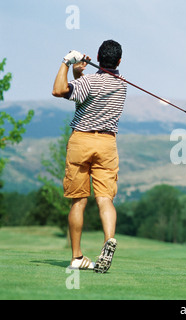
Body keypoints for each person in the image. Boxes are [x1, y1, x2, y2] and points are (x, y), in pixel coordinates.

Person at [52, 40, 127, 273]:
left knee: (79, 200)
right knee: (105, 199)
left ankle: (76, 257)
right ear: (119, 61)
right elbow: (86, 90)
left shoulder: (89, 82)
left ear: (97, 56)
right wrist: (79, 73)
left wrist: (67, 63)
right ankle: (108, 240)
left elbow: (59, 90)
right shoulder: (122, 85)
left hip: (82, 141)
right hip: (107, 144)